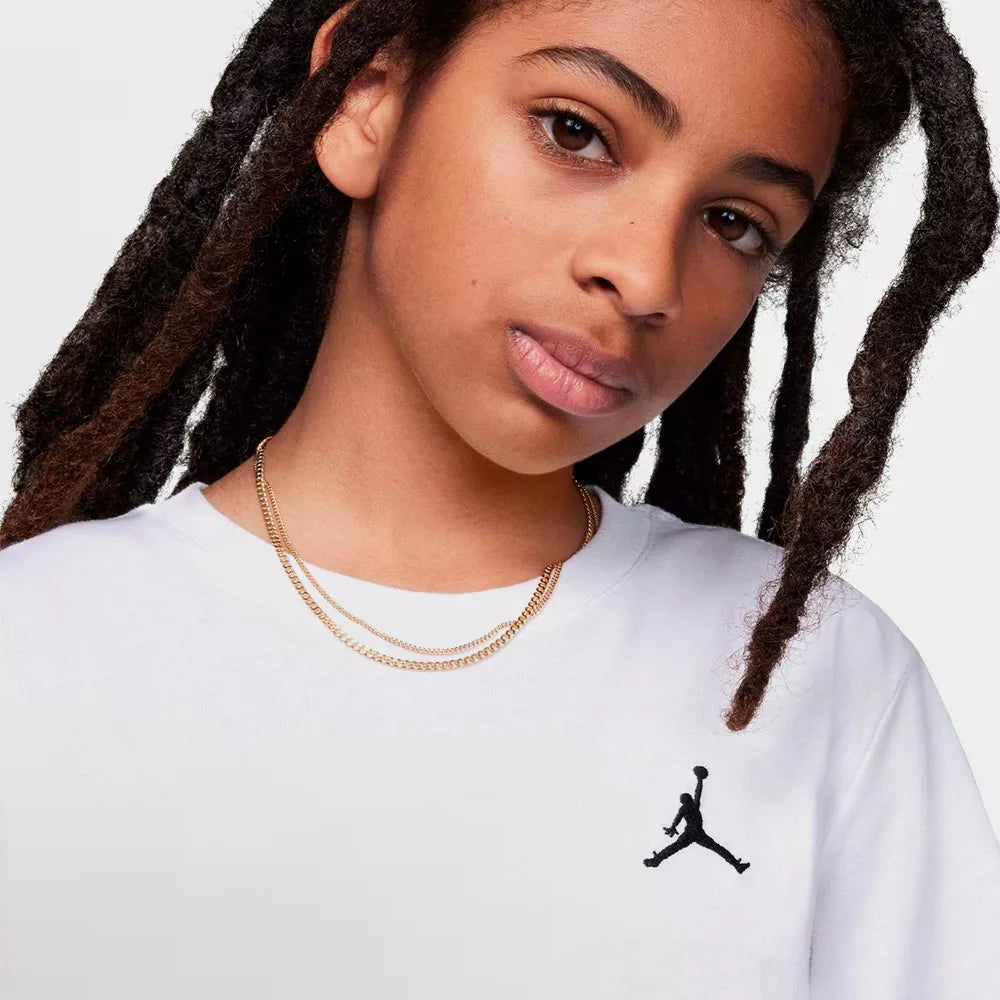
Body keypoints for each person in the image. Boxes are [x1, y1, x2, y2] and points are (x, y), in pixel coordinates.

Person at [0, 0, 998, 995]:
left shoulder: (816, 680)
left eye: (733, 223)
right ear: (369, 98)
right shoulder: (34, 650)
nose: (644, 275)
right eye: (576, 132)